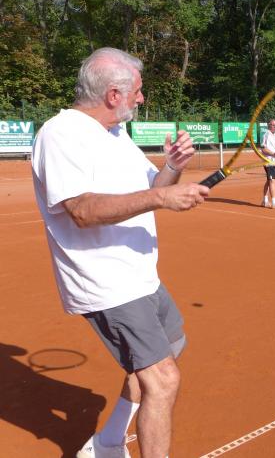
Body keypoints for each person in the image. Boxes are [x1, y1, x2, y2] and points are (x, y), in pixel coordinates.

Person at [31, 47, 209, 458]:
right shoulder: (61, 135)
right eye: (137, 91)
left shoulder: (115, 134)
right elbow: (81, 209)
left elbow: (154, 186)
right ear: (113, 94)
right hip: (106, 283)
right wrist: (162, 198)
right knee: (162, 380)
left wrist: (173, 167)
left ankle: (107, 443)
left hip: (140, 274)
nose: (141, 98)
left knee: (172, 345)